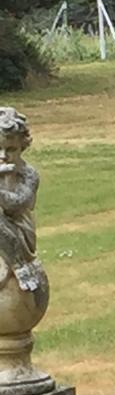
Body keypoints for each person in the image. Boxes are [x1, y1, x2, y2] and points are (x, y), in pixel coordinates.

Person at [0, 108, 43, 293]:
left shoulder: (28, 175)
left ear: (22, 147)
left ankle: (19, 265)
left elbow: (17, 204)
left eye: (10, 149)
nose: (3, 156)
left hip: (18, 231)